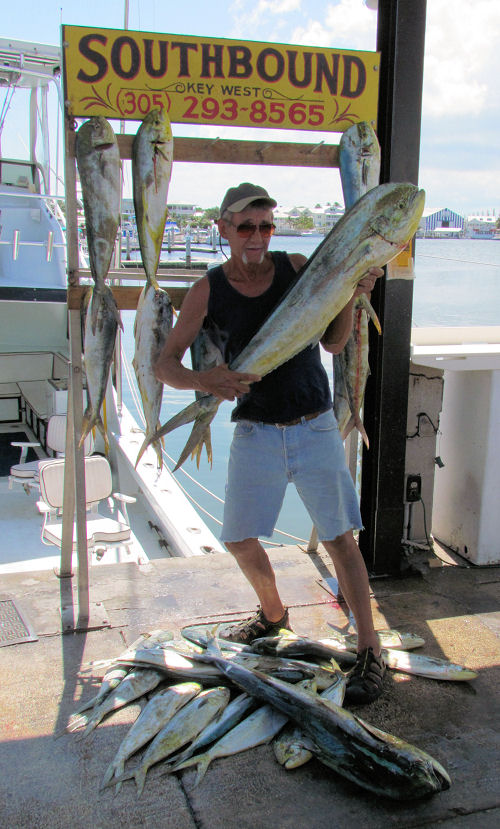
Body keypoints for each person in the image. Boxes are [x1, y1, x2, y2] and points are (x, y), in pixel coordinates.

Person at [156, 182, 386, 704]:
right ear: (223, 229)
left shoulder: (296, 268)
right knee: (239, 537)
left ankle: (370, 648)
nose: (257, 236)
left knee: (340, 538)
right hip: (255, 429)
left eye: (265, 226)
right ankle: (274, 615)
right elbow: (165, 364)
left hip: (314, 424)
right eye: (245, 227)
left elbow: (333, 343)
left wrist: (352, 295)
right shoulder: (207, 290)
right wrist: (205, 380)